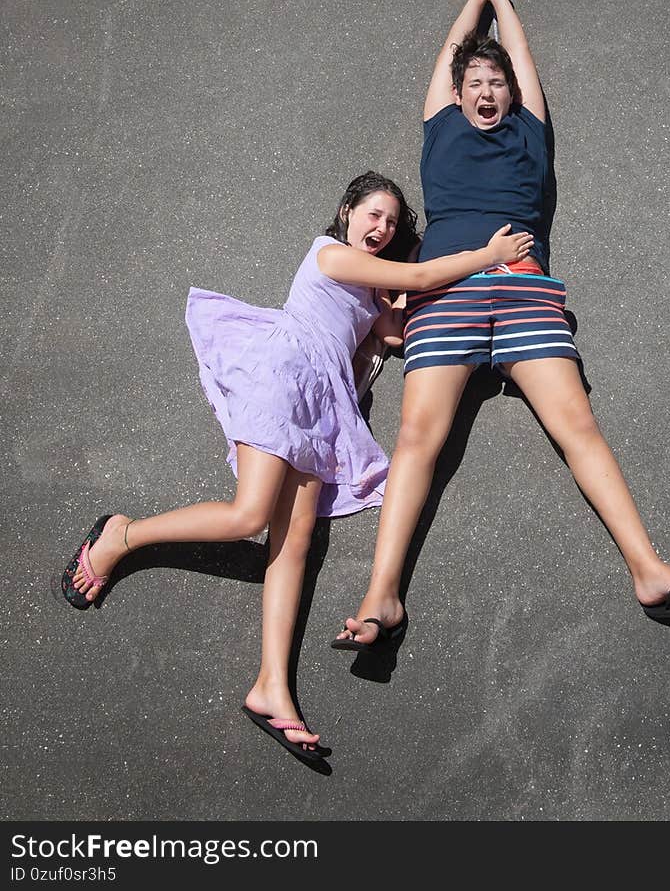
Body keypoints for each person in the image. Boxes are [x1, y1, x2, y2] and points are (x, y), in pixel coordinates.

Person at [60, 171, 535, 767]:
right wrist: (486, 255)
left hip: (321, 402)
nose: (380, 228)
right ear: (345, 213)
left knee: (295, 543)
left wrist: (415, 280)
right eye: (372, 215)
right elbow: (414, 279)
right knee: (250, 515)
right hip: (285, 372)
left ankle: (271, 687)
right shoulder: (331, 256)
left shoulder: (369, 291)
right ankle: (121, 536)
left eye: (390, 224)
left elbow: (396, 325)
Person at [333, 0, 670, 654]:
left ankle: (649, 571)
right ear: (458, 93)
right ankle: (381, 597)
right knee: (419, 440)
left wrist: (503, 3)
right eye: (475, 83)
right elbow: (450, 54)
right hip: (446, 290)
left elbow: (524, 63)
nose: (486, 92)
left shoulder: (530, 134)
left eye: (496, 83)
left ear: (511, 92)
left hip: (522, 288)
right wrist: (471, 3)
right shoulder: (441, 125)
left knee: (578, 427)